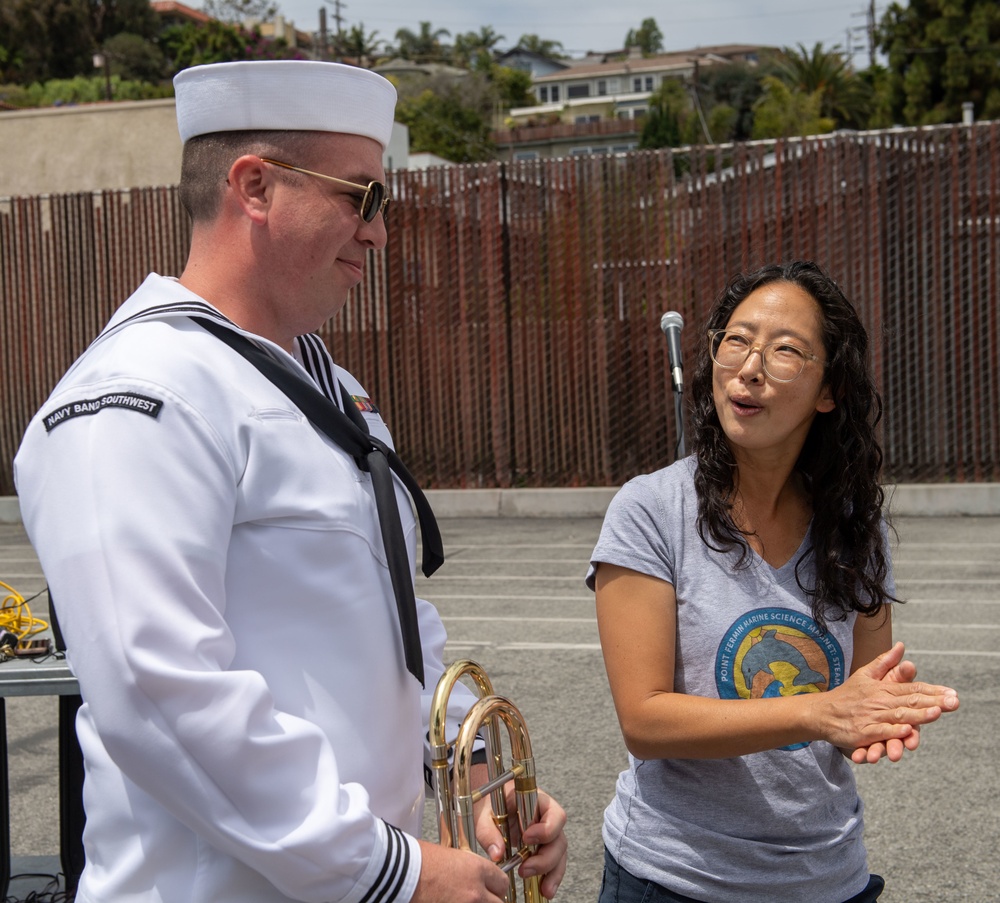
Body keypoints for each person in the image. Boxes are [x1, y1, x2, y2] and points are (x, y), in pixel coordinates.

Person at [14, 60, 566, 903]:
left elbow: (392, 630)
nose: (379, 230)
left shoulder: (329, 387)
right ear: (256, 186)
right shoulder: (138, 393)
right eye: (361, 195)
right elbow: (157, 690)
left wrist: (478, 777)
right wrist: (393, 869)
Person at [587, 260, 960, 903]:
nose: (750, 367)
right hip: (676, 879)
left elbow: (858, 696)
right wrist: (820, 712)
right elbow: (644, 719)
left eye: (786, 350)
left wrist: (879, 711)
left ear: (828, 390)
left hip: (827, 877)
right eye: (737, 340)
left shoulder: (854, 528)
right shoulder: (649, 509)